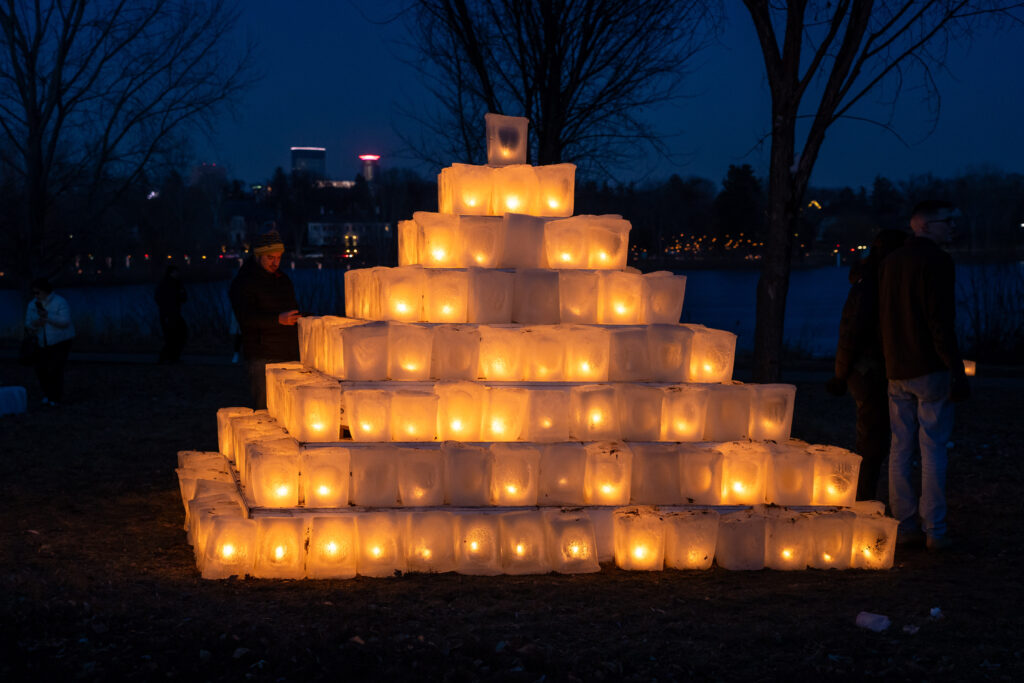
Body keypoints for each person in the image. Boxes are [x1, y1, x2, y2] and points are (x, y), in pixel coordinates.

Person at [878, 200, 969, 551]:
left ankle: (904, 524)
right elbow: (940, 321)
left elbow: (885, 315)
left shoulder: (891, 262)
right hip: (928, 368)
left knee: (900, 446)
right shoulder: (938, 262)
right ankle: (936, 530)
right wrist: (955, 368)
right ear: (926, 226)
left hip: (897, 367)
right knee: (932, 448)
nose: (952, 227)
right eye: (947, 222)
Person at [826, 228, 908, 502]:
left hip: (870, 371)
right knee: (873, 441)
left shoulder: (871, 282)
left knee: (875, 438)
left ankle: (867, 497)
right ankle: (863, 500)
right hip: (869, 373)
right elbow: (853, 333)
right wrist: (840, 375)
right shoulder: (874, 285)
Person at [228, 230, 301, 409]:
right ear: (258, 255)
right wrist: (278, 319)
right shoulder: (243, 283)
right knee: (266, 408)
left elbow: (292, 309)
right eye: (270, 257)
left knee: (290, 408)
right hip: (263, 357)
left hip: (289, 354)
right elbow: (246, 319)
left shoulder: (282, 279)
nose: (275, 262)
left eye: (278, 257)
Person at [24, 278, 76, 406]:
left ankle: (55, 397)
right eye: (34, 293)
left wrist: (47, 317)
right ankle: (48, 394)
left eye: (38, 292)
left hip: (60, 341)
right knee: (41, 370)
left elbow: (65, 322)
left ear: (45, 291)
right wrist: (36, 323)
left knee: (56, 370)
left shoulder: (59, 302)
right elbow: (28, 323)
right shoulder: (32, 305)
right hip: (42, 341)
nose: (36, 295)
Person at [155, 265, 188, 363]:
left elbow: (184, 298)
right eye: (176, 272)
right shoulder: (167, 284)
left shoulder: (177, 284)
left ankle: (171, 357)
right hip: (169, 314)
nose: (178, 274)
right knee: (174, 335)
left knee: (178, 334)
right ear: (171, 273)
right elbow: (160, 298)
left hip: (173, 313)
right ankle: (167, 357)